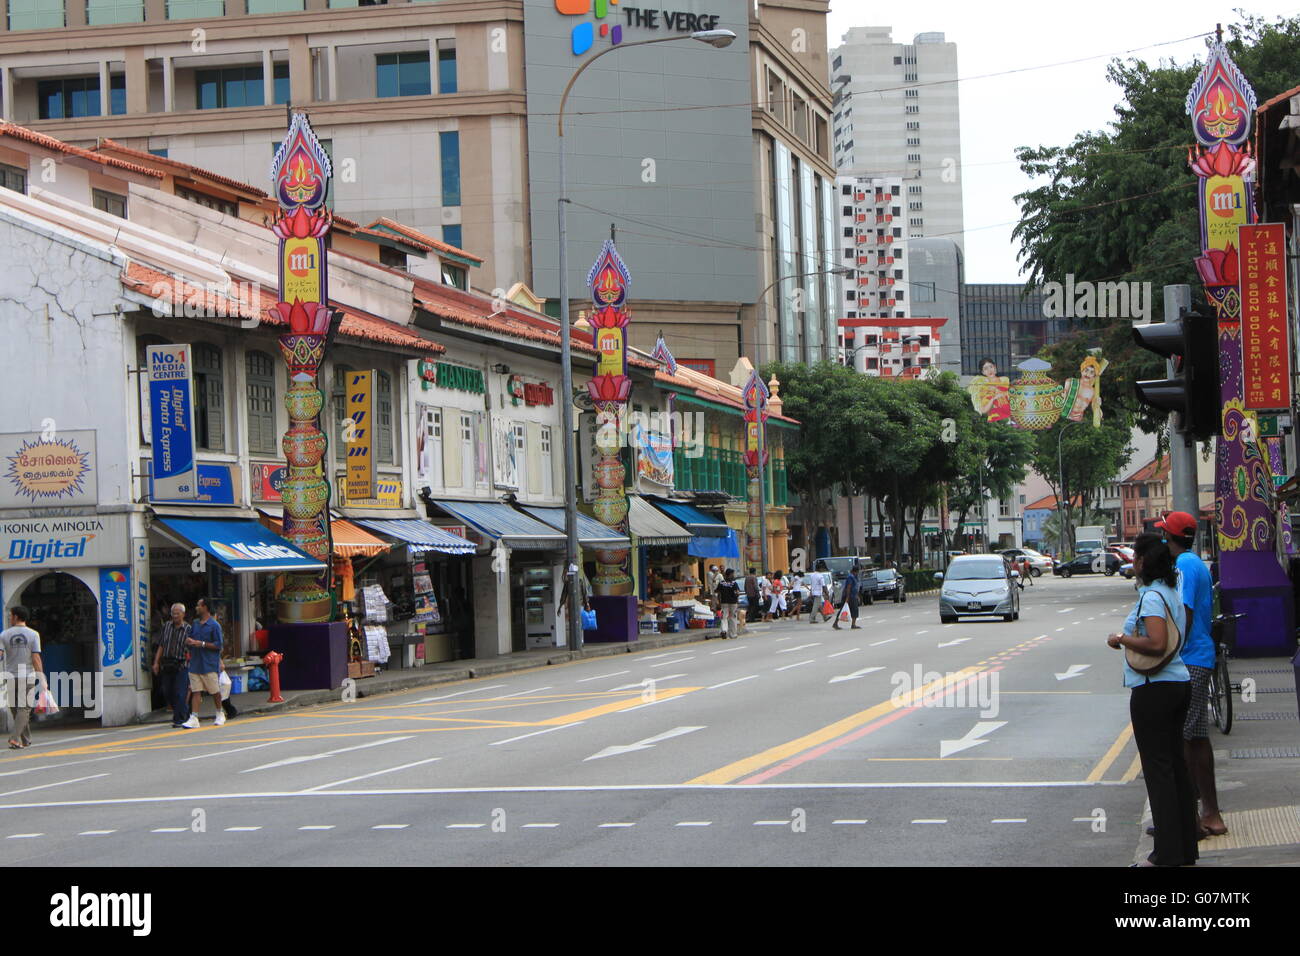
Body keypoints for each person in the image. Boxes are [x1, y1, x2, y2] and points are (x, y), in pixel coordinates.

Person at [1106, 534, 1197, 867]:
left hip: (1154, 688)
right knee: (1174, 767)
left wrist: (1121, 639)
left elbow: (1156, 643)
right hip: (1176, 683)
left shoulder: (1154, 597)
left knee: (1158, 771)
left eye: (1136, 556)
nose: (1132, 561)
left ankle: (1166, 854)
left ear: (1143, 562)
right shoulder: (1172, 591)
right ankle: (1184, 848)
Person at [1157, 511, 1226, 838]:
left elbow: (1182, 615)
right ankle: (1207, 814)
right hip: (1198, 656)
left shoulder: (1184, 565)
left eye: (1163, 535)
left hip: (1190, 659)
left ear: (1169, 538)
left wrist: (1163, 654)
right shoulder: (1195, 562)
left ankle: (1190, 817)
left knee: (1184, 739)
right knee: (1196, 737)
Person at [1, 606, 45, 749]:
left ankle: (21, 739)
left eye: (11, 615)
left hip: (10, 676)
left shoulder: (4, 635)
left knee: (17, 709)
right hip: (28, 676)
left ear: (16, 617)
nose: (9, 617)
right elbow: (36, 658)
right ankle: (19, 738)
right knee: (23, 709)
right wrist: (42, 677)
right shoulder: (34, 634)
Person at [182, 597, 225, 728]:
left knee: (214, 691)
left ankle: (219, 713)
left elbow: (219, 645)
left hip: (209, 663)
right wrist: (189, 642)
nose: (196, 608)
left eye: (199, 605)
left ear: (205, 607)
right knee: (196, 691)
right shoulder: (195, 624)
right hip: (195, 663)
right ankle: (194, 717)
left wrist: (202, 644)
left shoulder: (214, 625)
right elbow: (191, 640)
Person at [152, 602, 192, 728]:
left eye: (177, 613)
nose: (175, 616)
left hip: (182, 665)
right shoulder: (167, 626)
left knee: (181, 693)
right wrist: (156, 662)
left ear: (183, 614)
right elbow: (161, 645)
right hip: (167, 664)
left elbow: (191, 649)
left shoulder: (188, 629)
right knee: (167, 692)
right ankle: (184, 713)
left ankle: (179, 719)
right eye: (173, 613)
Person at [832, 560, 862, 630]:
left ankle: (853, 624)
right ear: (856, 571)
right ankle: (836, 623)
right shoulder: (850, 577)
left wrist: (857, 595)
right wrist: (847, 598)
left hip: (853, 596)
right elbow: (848, 587)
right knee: (844, 609)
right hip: (849, 596)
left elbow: (856, 587)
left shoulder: (855, 577)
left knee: (854, 610)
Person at [715, 568, 743, 639]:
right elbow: (737, 593)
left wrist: (718, 601)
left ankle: (724, 630)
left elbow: (718, 593)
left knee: (724, 617)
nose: (733, 575)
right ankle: (733, 634)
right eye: (733, 574)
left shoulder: (721, 583)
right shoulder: (734, 583)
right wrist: (737, 598)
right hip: (733, 603)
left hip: (724, 602)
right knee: (732, 618)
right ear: (730, 574)